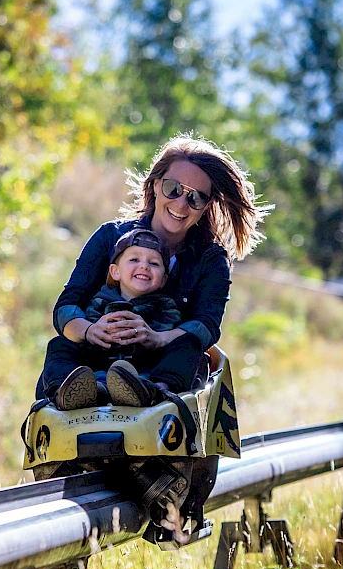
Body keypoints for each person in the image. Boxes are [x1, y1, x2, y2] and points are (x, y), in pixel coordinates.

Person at [37, 132, 268, 411]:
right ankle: (70, 392)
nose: (182, 204)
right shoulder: (109, 236)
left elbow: (206, 327)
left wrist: (156, 338)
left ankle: (151, 392)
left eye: (196, 198)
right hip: (93, 357)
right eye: (173, 188)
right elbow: (67, 306)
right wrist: (90, 331)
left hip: (160, 363)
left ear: (207, 205)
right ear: (156, 185)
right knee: (60, 345)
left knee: (191, 350)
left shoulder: (211, 259)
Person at [56, 228, 183, 409]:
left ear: (163, 280)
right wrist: (95, 331)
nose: (144, 266)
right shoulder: (100, 300)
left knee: (188, 343)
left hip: (145, 373)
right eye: (134, 260)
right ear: (115, 272)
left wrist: (150, 335)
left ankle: (156, 391)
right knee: (60, 344)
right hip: (99, 368)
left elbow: (168, 330)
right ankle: (64, 392)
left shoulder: (165, 306)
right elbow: (89, 329)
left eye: (154, 263)